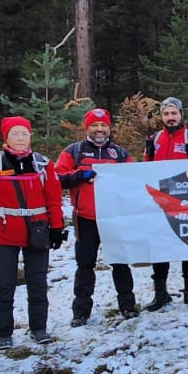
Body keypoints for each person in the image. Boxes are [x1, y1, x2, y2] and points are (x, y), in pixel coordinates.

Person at [0, 117, 66, 347]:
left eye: (24, 133)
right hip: (2, 231)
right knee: (3, 285)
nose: (20, 138)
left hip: (37, 230)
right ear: (6, 137)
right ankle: (3, 334)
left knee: (38, 283)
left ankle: (39, 328)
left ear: (31, 136)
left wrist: (57, 227)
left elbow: (53, 198)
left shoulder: (43, 164)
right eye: (15, 133)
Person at [55, 107, 139, 322]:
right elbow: (57, 178)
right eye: (94, 125)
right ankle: (81, 312)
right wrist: (80, 175)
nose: (99, 129)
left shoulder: (119, 153)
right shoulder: (74, 151)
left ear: (109, 128)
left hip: (113, 218)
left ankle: (128, 306)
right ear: (87, 127)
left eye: (103, 125)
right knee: (85, 265)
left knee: (120, 263)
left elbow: (134, 181)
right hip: (85, 219)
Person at [144, 96, 188, 309]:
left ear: (181, 115)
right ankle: (161, 293)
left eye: (174, 113)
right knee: (160, 247)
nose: (171, 118)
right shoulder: (154, 140)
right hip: (160, 204)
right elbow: (145, 170)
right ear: (162, 116)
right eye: (167, 114)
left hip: (186, 203)